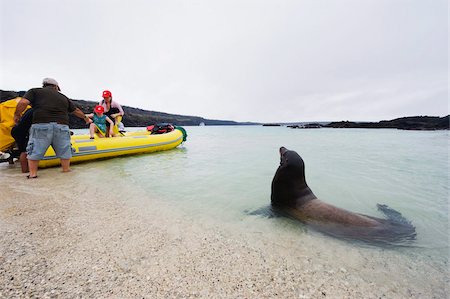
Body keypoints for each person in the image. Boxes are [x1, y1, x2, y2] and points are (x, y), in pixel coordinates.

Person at [13, 78, 92, 178]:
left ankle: (33, 175)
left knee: (35, 151)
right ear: (55, 87)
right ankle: (66, 171)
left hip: (42, 125)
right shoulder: (63, 97)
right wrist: (85, 118)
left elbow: (23, 102)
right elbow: (76, 110)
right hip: (61, 126)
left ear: (44, 85)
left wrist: (17, 114)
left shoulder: (35, 91)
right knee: (65, 152)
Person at [11, 108, 33, 172]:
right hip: (20, 131)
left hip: (18, 129)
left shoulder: (30, 110)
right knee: (24, 151)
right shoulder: (34, 111)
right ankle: (25, 171)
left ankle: (26, 170)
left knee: (24, 150)